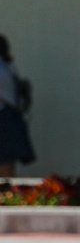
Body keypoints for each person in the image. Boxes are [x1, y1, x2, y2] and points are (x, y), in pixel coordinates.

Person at [0, 38, 31, 177]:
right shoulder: (9, 66)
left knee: (4, 167)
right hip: (10, 118)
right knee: (7, 166)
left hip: (3, 118)